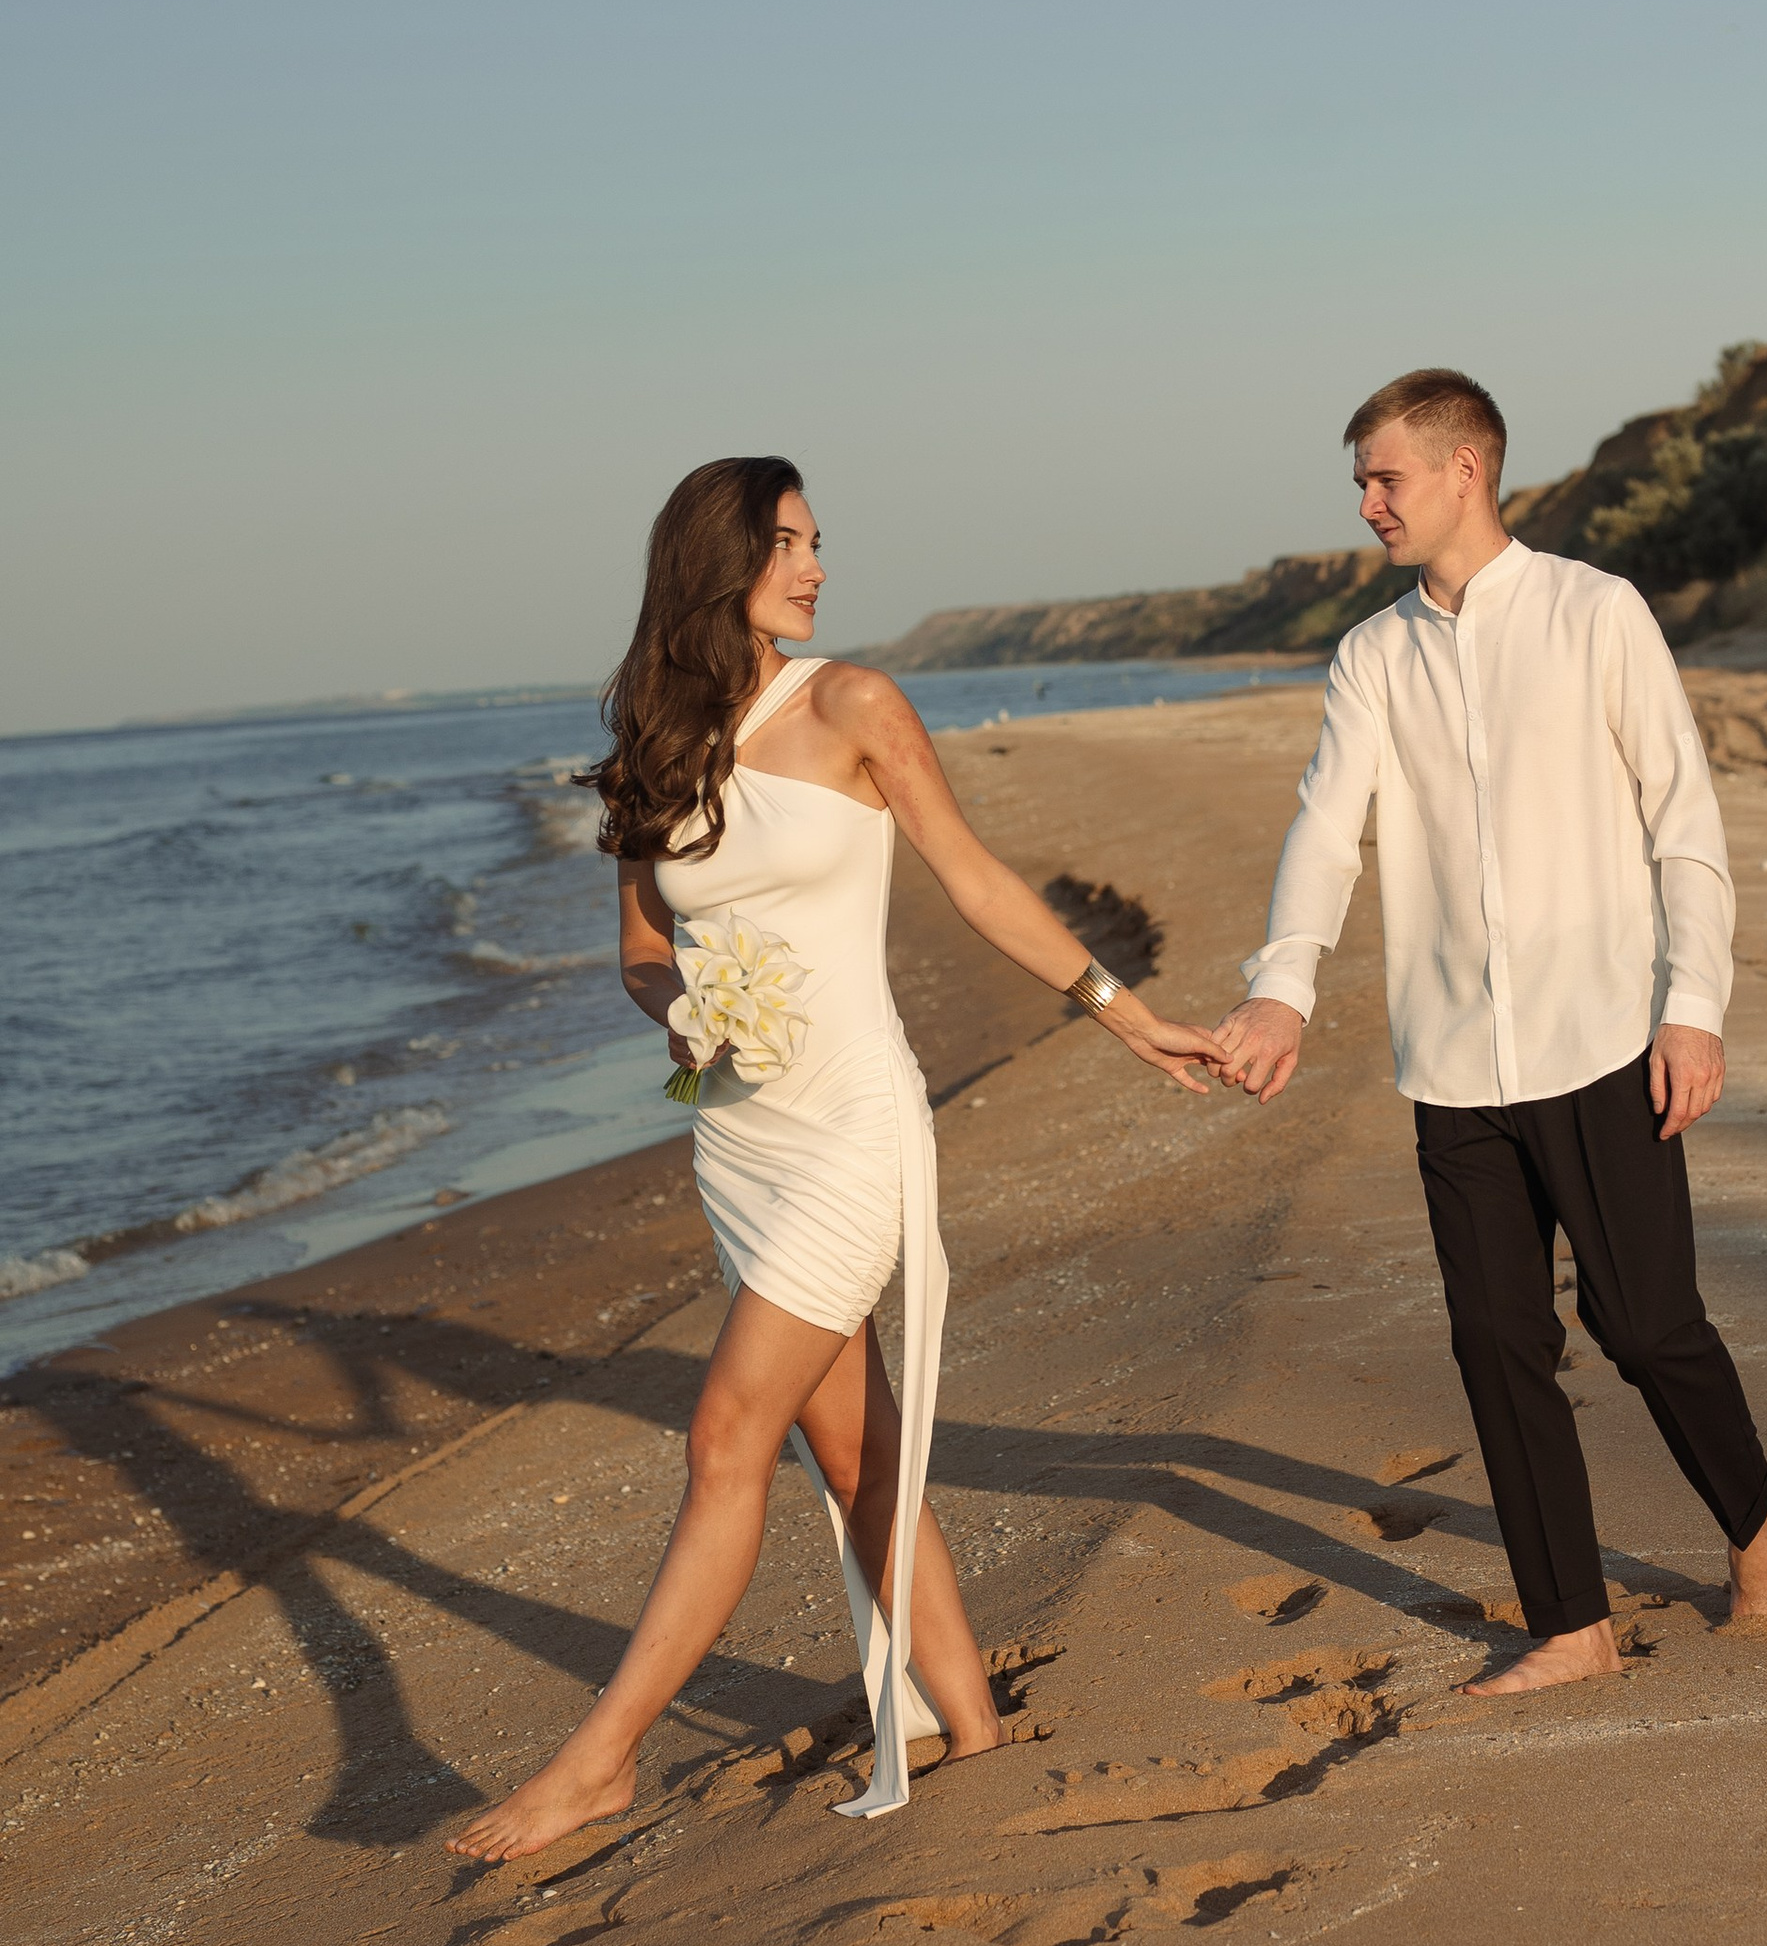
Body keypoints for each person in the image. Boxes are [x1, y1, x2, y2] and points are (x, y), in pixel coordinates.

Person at [449, 456, 1227, 1862]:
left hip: (855, 1128)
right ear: (716, 563)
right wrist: (682, 1010)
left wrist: (1126, 1015)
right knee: (856, 1452)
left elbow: (973, 875)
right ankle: (975, 1727)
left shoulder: (855, 704)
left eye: (815, 543)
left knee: (722, 1438)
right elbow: (641, 950)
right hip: (739, 1139)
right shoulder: (653, 739)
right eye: (788, 545)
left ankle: (596, 1763)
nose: (815, 568)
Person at [1217, 370, 1767, 1693]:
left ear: (1464, 470)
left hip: (1603, 1036)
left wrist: (1693, 1010)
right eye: (1362, 484)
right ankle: (1571, 1625)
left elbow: (1684, 821)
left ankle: (1760, 1530)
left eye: (1385, 478)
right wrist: (1282, 986)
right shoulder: (1372, 656)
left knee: (1644, 1325)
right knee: (1496, 1341)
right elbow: (1327, 828)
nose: (1368, 504)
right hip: (1452, 1058)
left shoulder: (1597, 613)